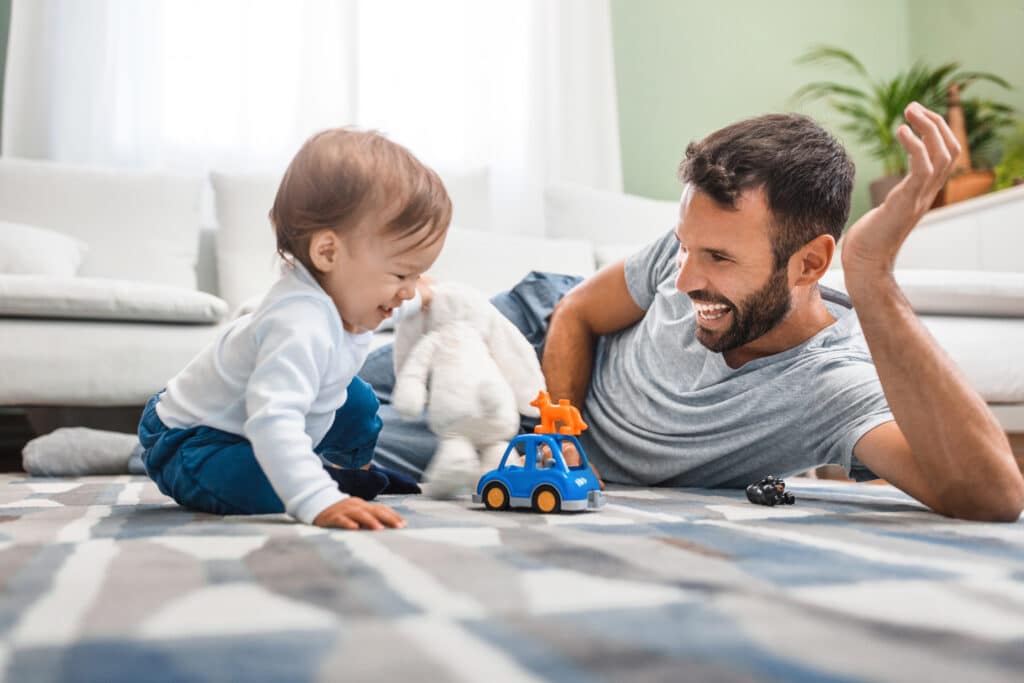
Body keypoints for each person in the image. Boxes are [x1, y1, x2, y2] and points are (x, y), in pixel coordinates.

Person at [365, 103, 1024, 522]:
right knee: (311, 386)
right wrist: (559, 442)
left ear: (810, 264)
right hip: (524, 344)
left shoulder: (833, 388)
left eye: (716, 257)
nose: (682, 279)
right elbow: (574, 311)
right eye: (683, 246)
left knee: (335, 441)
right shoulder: (684, 261)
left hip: (520, 424)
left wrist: (873, 275)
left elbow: (993, 496)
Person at [138, 129, 450, 530]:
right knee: (271, 491)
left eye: (418, 274)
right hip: (194, 439)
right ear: (327, 252)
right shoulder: (298, 324)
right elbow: (273, 420)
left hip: (252, 423)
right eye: (400, 273)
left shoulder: (345, 295)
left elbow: (393, 307)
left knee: (359, 402)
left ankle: (350, 474)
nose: (408, 289)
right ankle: (324, 483)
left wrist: (423, 297)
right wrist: (315, 501)